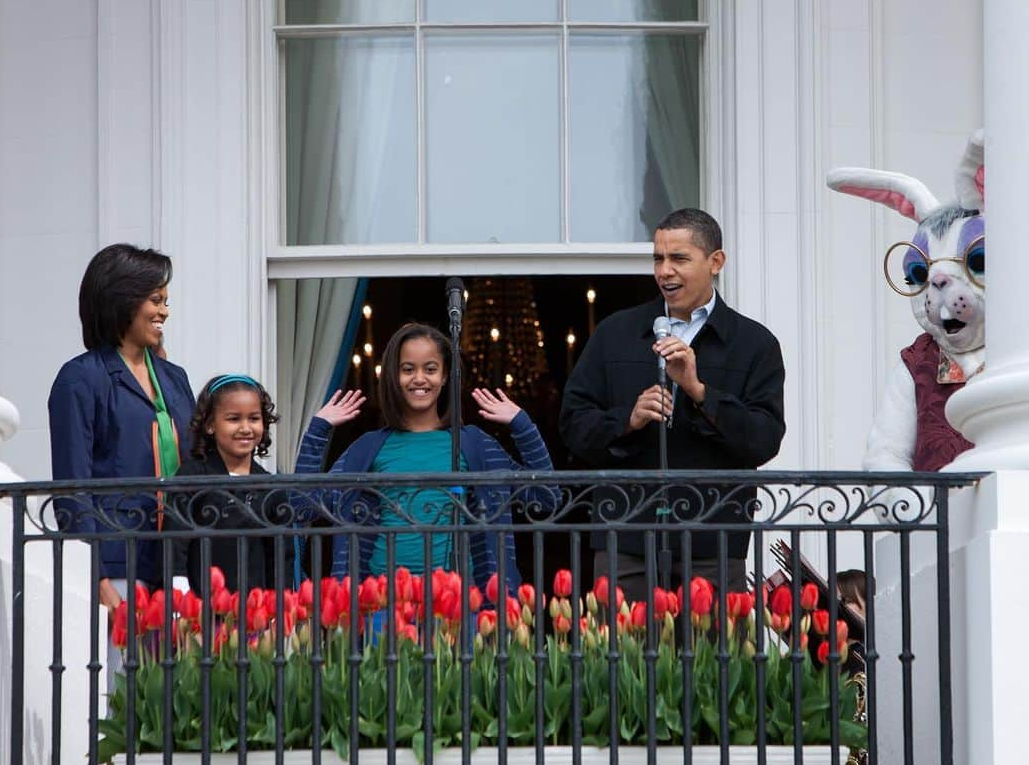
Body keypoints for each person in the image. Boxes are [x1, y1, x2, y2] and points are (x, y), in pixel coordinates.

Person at [559, 208, 786, 601]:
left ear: (716, 262)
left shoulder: (753, 343)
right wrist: (627, 420)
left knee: (711, 660)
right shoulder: (616, 333)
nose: (665, 271)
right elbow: (573, 425)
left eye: (679, 258)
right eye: (658, 258)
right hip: (626, 535)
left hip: (714, 537)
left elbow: (764, 440)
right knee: (620, 659)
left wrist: (699, 392)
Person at [296, 322, 558, 593]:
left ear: (445, 376)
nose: (419, 378)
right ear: (393, 377)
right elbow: (303, 506)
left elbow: (545, 497)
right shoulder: (369, 447)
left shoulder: (473, 443)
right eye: (408, 369)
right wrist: (318, 429)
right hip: (384, 604)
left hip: (458, 603)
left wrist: (522, 425)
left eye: (430, 369)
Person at [49, 243, 195, 615]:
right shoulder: (81, 378)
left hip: (178, 564)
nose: (164, 310)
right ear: (122, 300)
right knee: (123, 673)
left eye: (166, 300)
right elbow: (73, 484)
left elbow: (196, 467)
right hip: (118, 562)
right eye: (155, 299)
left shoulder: (174, 379)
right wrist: (95, 577)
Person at [171, 375, 287, 594]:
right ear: (210, 425)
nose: (245, 428)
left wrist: (278, 605)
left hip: (254, 614)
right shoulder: (192, 475)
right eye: (234, 419)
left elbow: (280, 557)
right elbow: (175, 541)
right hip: (201, 611)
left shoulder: (270, 487)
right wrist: (179, 594)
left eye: (254, 418)